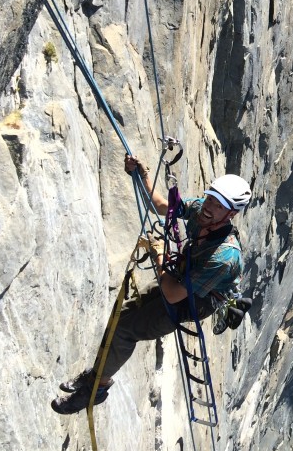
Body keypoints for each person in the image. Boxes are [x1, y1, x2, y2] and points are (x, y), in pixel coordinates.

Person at [51, 154, 251, 414]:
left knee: (125, 330)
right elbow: (161, 206)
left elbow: (172, 294)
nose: (209, 206)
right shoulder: (203, 210)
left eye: (219, 205)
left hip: (195, 301)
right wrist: (142, 175)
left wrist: (159, 255)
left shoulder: (224, 257)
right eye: (211, 198)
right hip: (182, 276)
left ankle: (96, 389)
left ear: (231, 214)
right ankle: (99, 371)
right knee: (121, 315)